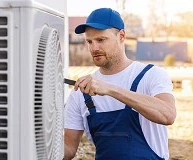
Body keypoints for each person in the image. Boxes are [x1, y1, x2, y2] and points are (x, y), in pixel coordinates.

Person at [64, 8, 176, 160]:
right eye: (89, 41)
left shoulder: (151, 75)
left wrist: (110, 89)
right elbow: (69, 149)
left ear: (121, 36)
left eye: (101, 40)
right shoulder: (81, 92)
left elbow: (168, 114)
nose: (94, 48)